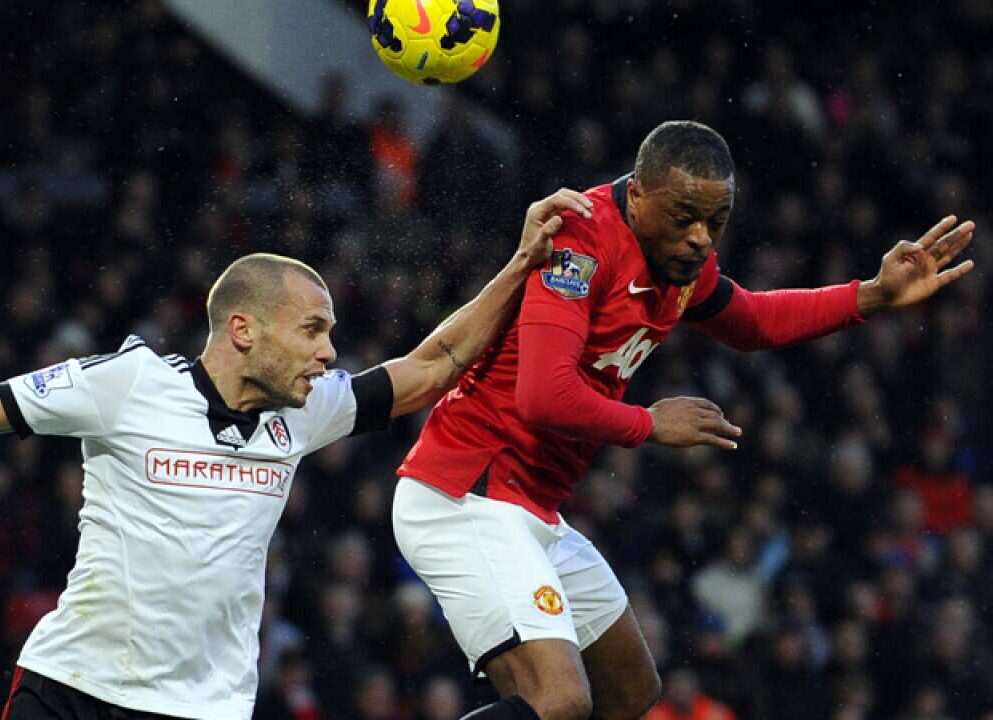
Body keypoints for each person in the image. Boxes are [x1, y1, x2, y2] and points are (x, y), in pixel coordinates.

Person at [0, 188, 594, 720]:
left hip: (204, 711)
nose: (332, 352)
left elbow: (433, 364)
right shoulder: (129, 383)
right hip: (71, 691)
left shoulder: (308, 413)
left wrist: (521, 262)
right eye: (314, 330)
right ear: (244, 329)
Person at [392, 120, 976, 720]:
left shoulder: (676, 259)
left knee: (628, 689)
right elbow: (542, 395)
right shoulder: (581, 242)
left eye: (715, 223)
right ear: (639, 194)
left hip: (529, 505)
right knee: (558, 700)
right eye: (684, 218)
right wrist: (649, 423)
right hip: (465, 491)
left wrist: (872, 295)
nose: (699, 239)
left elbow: (750, 321)